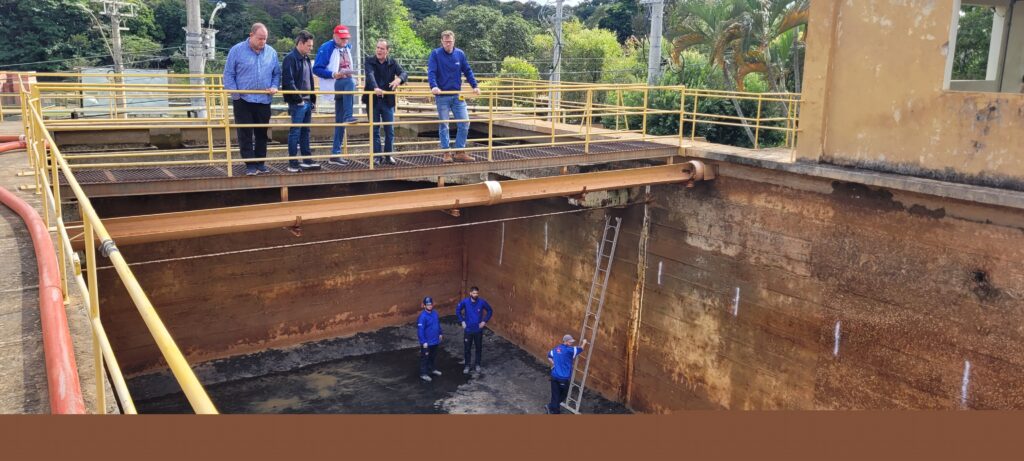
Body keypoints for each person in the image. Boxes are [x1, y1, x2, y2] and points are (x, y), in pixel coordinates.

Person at [223, 23, 280, 176]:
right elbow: (229, 74)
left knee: (262, 133)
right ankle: (250, 164)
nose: (263, 42)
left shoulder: (271, 52)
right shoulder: (236, 50)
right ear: (251, 35)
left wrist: (274, 86)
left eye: (265, 39)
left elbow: (276, 74)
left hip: (263, 99)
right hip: (243, 99)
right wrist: (236, 94)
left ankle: (261, 163)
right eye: (260, 38)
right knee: (245, 133)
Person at [427, 30, 480, 164]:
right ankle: (446, 153)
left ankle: (460, 151)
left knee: (465, 122)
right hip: (442, 95)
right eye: (445, 42)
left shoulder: (460, 54)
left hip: (457, 95)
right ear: (442, 42)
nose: (448, 44)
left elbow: (467, 70)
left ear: (454, 41)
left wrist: (475, 85)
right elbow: (431, 72)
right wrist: (433, 86)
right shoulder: (436, 54)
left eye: (450, 41)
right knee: (444, 124)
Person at [312, 24, 358, 165]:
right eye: (342, 39)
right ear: (335, 37)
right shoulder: (327, 48)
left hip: (343, 85)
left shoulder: (346, 48)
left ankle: (335, 153)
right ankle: (349, 115)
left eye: (346, 39)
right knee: (350, 83)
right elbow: (317, 69)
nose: (345, 41)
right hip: (336, 83)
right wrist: (333, 74)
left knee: (340, 120)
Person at [280, 30, 322, 173]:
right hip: (298, 102)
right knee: (295, 132)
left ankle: (307, 159)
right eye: (309, 46)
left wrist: (312, 99)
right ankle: (293, 162)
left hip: (307, 101)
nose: (311, 48)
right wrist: (299, 100)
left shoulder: (306, 59)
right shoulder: (290, 59)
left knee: (305, 131)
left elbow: (309, 80)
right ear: (301, 43)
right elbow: (288, 81)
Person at [363, 39, 408, 166]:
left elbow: (404, 73)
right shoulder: (369, 61)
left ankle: (388, 155)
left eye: (382, 49)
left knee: (390, 129)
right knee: (374, 129)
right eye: (377, 48)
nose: (379, 50)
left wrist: (399, 79)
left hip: (387, 101)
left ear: (387, 51)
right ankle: (377, 156)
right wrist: (375, 88)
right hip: (373, 99)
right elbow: (370, 75)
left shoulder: (392, 62)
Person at [545, 334, 587, 414]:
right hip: (563, 378)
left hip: (554, 376)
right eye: (570, 342)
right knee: (563, 394)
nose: (571, 343)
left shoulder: (556, 348)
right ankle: (552, 409)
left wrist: (554, 364)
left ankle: (552, 408)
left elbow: (549, 356)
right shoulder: (570, 350)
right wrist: (584, 342)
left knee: (555, 394)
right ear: (566, 341)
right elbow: (581, 349)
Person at [455, 286, 493, 374]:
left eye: (477, 293)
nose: (476, 295)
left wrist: (484, 321)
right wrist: (462, 321)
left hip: (478, 330)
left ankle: (477, 364)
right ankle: (467, 365)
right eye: (474, 293)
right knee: (467, 348)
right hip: (468, 330)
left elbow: (490, 310)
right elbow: (458, 310)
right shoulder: (465, 302)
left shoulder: (482, 302)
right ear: (470, 293)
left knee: (478, 348)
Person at [417, 296, 444, 382]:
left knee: (433, 356)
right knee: (425, 358)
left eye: (431, 304)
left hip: (435, 340)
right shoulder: (422, 316)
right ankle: (423, 373)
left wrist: (440, 333)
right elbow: (420, 330)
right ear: (424, 305)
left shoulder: (435, 313)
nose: (430, 306)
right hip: (427, 342)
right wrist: (423, 341)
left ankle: (432, 369)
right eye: (428, 305)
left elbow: (438, 324)